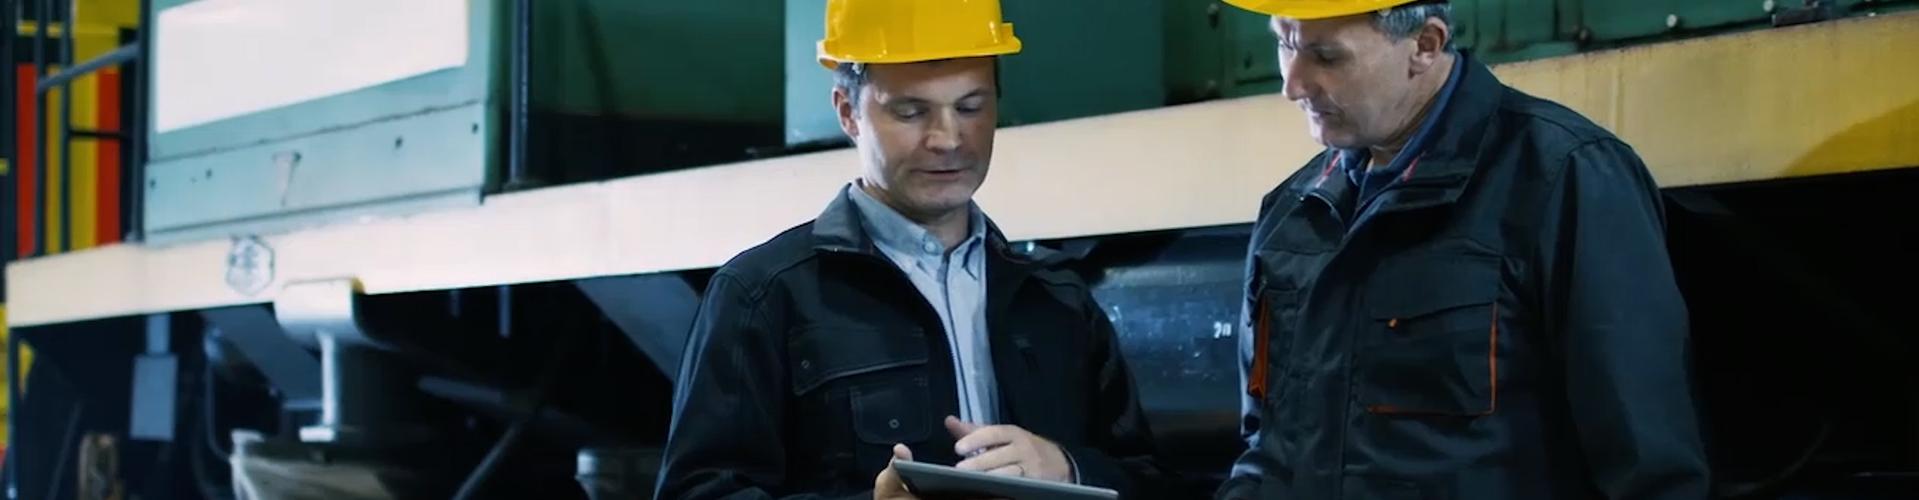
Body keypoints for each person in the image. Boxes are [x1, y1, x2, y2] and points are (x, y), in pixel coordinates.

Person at [654, 1, 1164, 498]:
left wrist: (1067, 469)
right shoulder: (762, 297)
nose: (948, 139)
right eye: (911, 112)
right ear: (848, 112)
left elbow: (1152, 480)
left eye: (970, 107)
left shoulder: (1058, 298)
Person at [1214, 1, 1711, 498]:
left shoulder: (1562, 179)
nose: (1293, 85)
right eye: (1285, 44)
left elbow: (1651, 468)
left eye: (1326, 56)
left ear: (1424, 44)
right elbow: (1268, 452)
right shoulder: (1293, 213)